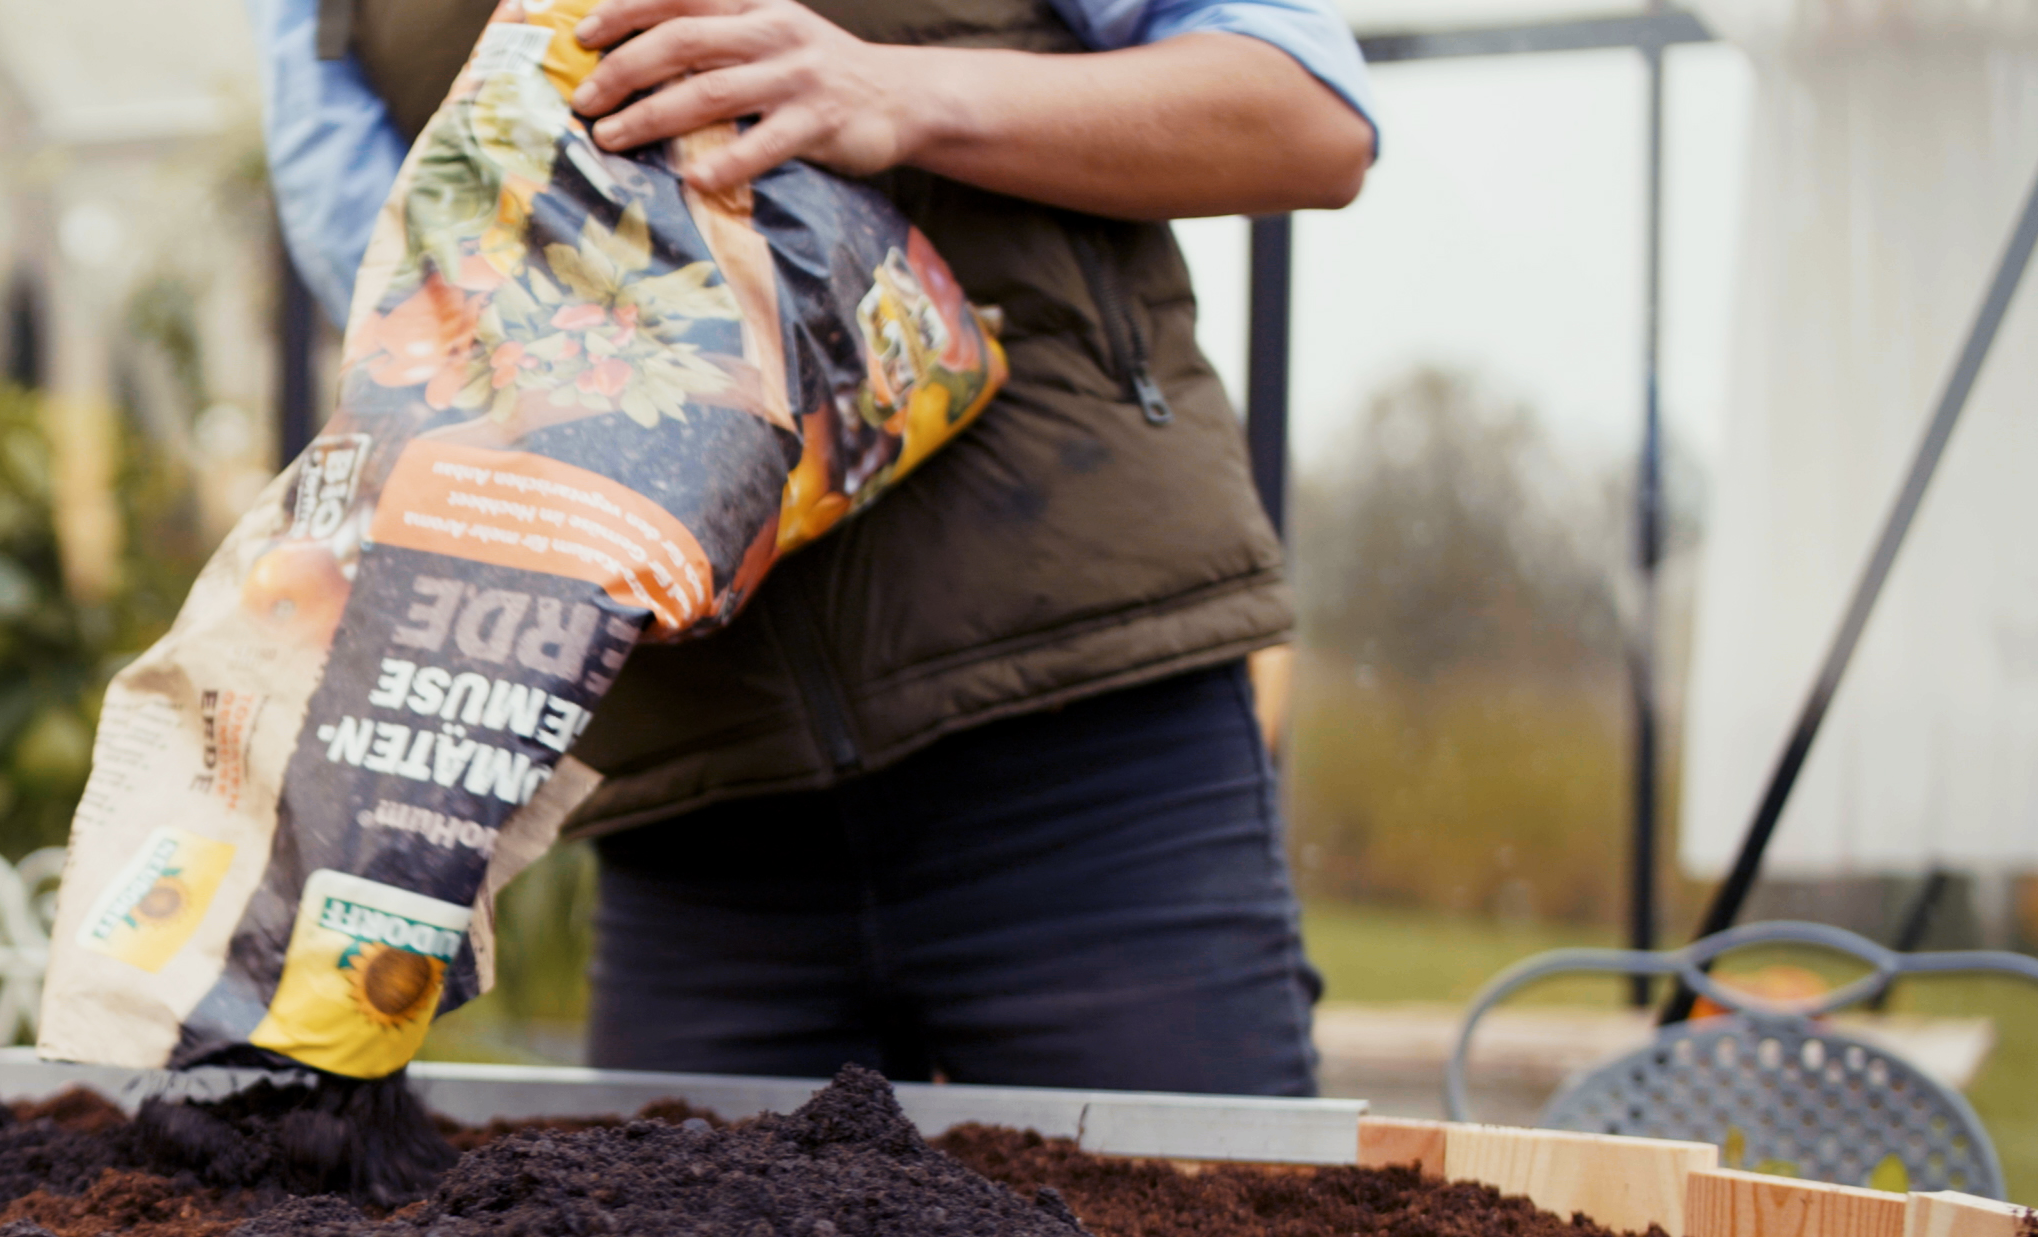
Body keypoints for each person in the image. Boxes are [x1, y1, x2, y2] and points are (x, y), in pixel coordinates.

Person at [256, 0, 1377, 1094]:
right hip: (692, 825)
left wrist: (895, 92)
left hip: (1085, 755)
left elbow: (1304, 110)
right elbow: (394, 284)